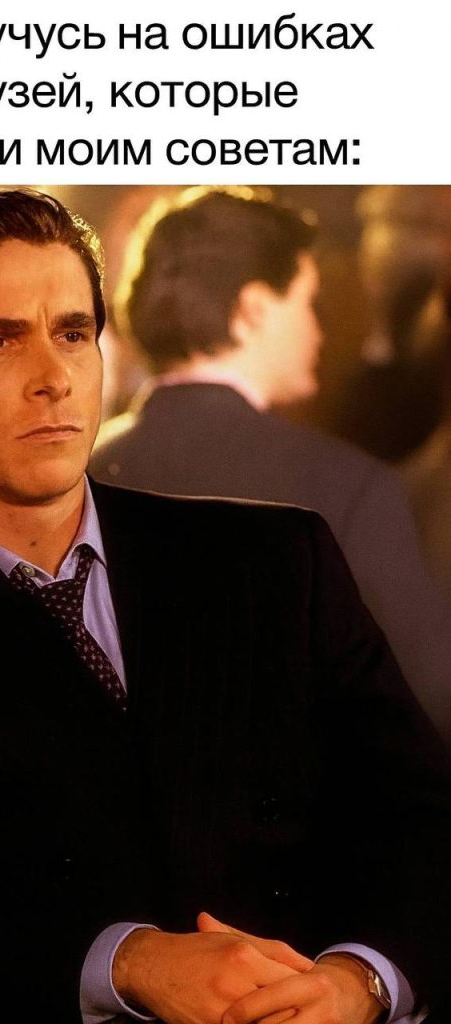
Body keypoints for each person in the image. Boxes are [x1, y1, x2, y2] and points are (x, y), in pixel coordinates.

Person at [0, 188, 450, 1023]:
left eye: (72, 333)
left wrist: (361, 980)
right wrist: (127, 963)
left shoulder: (277, 560)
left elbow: (421, 820)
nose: (53, 379)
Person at [91, 185, 451, 748]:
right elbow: (431, 699)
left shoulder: (76, 472)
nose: (318, 330)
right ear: (253, 310)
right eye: (308, 302)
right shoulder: (347, 488)